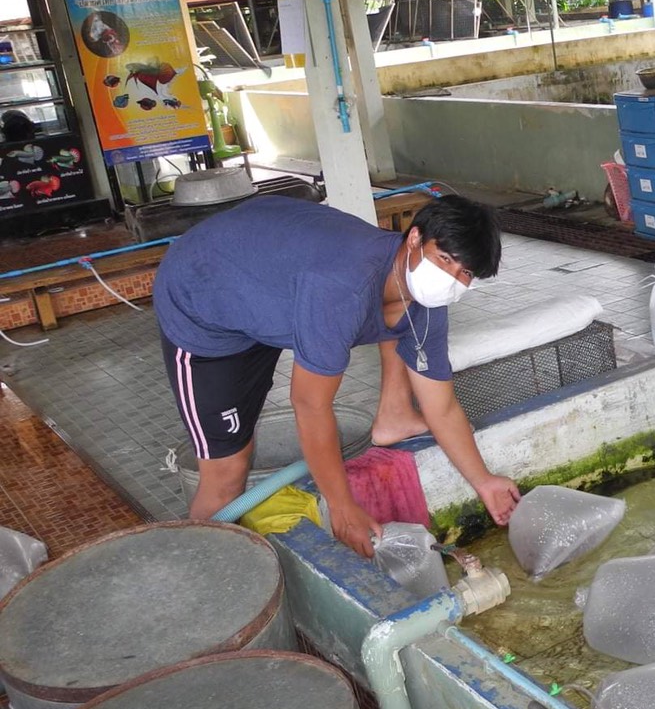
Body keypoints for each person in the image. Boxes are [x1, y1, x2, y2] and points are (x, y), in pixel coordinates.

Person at [153, 193, 520, 556]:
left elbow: (441, 407)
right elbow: (310, 405)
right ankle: (201, 565)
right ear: (414, 238)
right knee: (228, 467)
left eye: (466, 273)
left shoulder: (426, 302)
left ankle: (394, 415)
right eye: (445, 259)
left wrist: (484, 481)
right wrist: (343, 508)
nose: (451, 278)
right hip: (203, 298)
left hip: (269, 282)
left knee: (403, 323)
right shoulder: (341, 288)